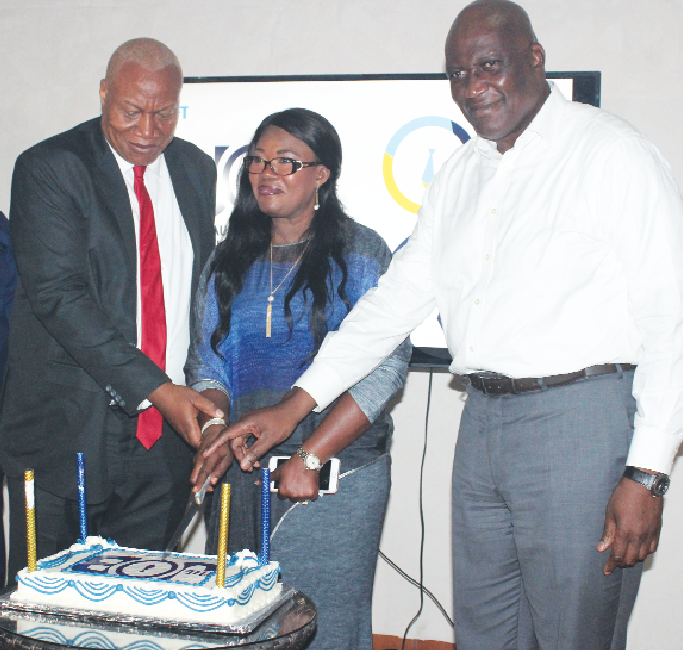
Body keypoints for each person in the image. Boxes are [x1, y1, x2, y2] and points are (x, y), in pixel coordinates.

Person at [198, 2, 683, 649]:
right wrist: (294, 407)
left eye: (489, 64)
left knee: (573, 634)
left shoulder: (608, 152)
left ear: (534, 58)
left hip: (580, 418)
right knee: (482, 632)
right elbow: (389, 308)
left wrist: (647, 472)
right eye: (458, 72)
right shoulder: (461, 174)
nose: (473, 84)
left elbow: (671, 314)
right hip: (482, 421)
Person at [187, 108, 410, 650]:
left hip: (335, 471)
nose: (268, 173)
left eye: (287, 162)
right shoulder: (227, 257)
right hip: (243, 472)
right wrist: (215, 426)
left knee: (322, 624)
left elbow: (385, 362)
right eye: (258, 161)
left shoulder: (360, 251)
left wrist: (311, 454)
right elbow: (209, 362)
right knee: (247, 625)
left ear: (322, 174)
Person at [0, 38, 222, 581]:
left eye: (164, 113)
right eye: (131, 111)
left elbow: (199, 294)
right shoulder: (50, 168)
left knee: (136, 609)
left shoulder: (195, 168)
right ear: (103, 95)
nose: (148, 130)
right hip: (65, 436)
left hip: (164, 448)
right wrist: (158, 390)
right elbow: (60, 298)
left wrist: (203, 387)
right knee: (45, 612)